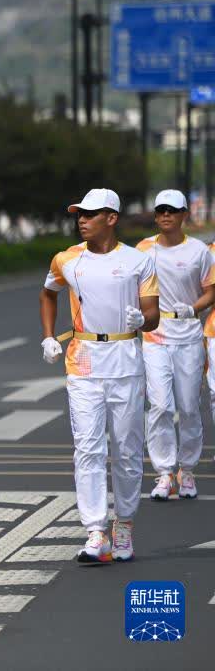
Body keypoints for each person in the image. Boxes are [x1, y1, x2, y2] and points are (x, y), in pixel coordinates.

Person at [39, 188, 159, 564]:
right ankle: (95, 531)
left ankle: (124, 524)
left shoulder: (139, 261)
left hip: (125, 357)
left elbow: (152, 314)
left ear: (111, 218)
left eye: (90, 214)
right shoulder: (67, 259)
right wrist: (48, 335)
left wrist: (143, 320)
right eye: (79, 214)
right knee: (88, 448)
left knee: (125, 449)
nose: (82, 220)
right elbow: (48, 293)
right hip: (84, 360)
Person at [136, 189, 215, 501]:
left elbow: (211, 292)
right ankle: (165, 472)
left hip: (188, 336)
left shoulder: (198, 251)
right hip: (155, 335)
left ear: (185, 214)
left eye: (172, 210)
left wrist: (193, 309)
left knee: (187, 406)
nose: (166, 215)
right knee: (159, 406)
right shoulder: (143, 250)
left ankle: (188, 469)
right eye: (161, 210)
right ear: (156, 215)